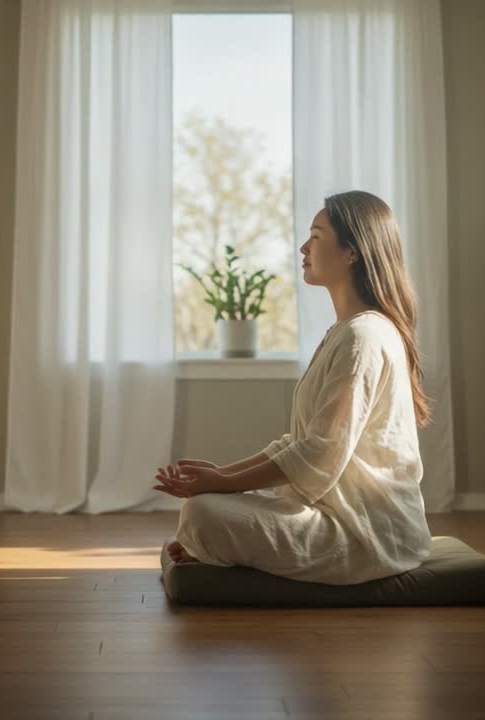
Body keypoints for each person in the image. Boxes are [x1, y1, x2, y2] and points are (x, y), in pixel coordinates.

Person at [153, 190, 433, 586]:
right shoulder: (346, 332)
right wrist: (222, 476)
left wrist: (226, 486)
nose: (304, 247)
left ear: (352, 252)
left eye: (316, 236)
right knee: (208, 507)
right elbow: (299, 442)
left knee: (202, 515)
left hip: (367, 535)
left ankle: (219, 547)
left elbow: (319, 453)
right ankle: (219, 545)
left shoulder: (364, 336)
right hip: (337, 511)